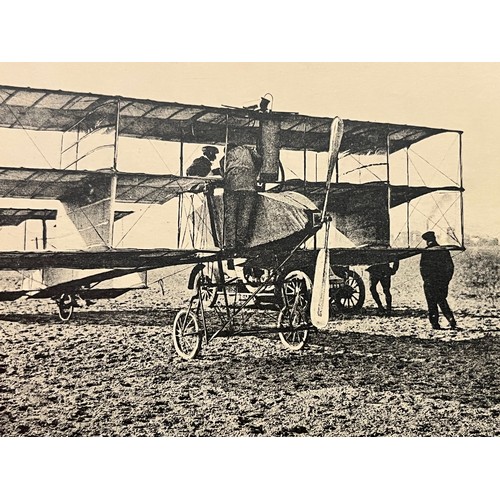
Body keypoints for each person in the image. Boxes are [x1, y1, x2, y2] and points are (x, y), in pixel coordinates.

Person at [222, 144, 262, 253]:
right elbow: (260, 161)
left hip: (232, 186)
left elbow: (223, 172)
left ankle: (230, 245)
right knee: (245, 216)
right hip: (249, 186)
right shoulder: (249, 151)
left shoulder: (226, 155)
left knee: (230, 216)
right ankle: (241, 243)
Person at [420, 231, 457, 330]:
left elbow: (422, 268)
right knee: (442, 300)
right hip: (442, 281)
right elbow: (450, 267)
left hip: (430, 281)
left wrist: (426, 279)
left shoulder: (426, 251)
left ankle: (435, 323)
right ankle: (450, 319)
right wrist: (446, 280)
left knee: (431, 303)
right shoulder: (444, 250)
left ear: (427, 241)